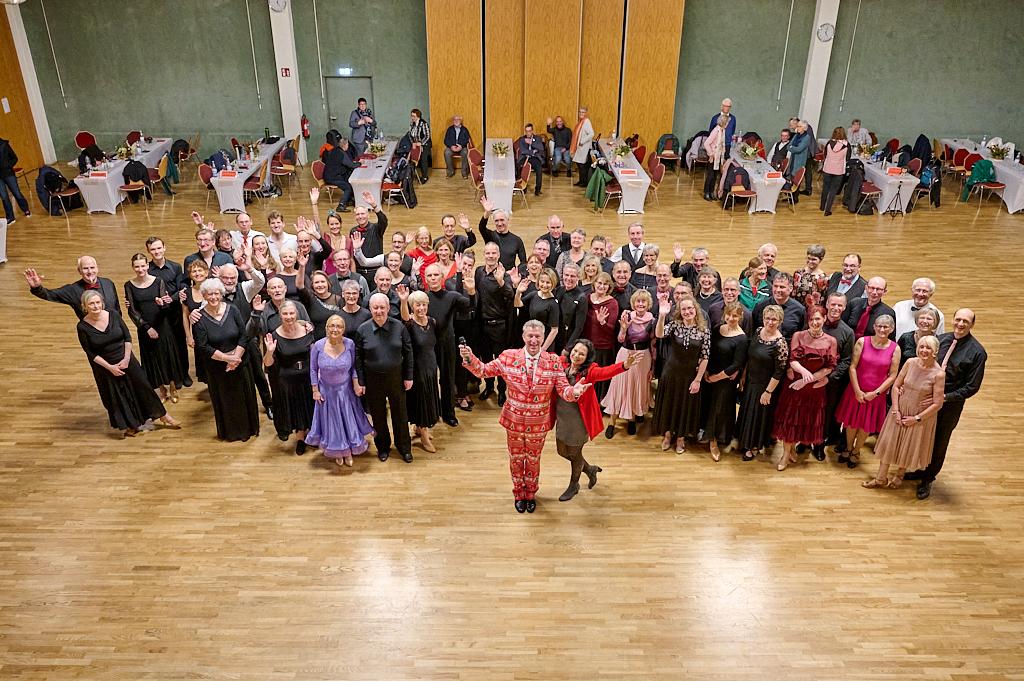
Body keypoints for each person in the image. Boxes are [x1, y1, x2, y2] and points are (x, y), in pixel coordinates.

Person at [460, 320, 590, 513]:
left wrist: (575, 391)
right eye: (530, 335)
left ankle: (530, 494)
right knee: (516, 458)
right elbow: (483, 371)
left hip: (538, 423)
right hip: (514, 420)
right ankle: (518, 494)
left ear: (543, 337)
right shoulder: (507, 357)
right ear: (523, 337)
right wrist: (469, 357)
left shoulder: (553, 361)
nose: (534, 340)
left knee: (533, 459)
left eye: (538, 336)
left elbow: (564, 391)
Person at [76, 290, 180, 436]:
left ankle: (163, 416)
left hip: (126, 357)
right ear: (85, 306)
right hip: (107, 366)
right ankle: (131, 424)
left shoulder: (113, 314)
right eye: (91, 304)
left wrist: (126, 359)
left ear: (102, 303)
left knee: (143, 387)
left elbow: (127, 337)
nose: (95, 306)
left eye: (97, 302)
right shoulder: (82, 327)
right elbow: (91, 353)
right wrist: (110, 368)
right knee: (120, 396)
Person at [907, 308, 986, 500]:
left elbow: (971, 387)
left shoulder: (977, 352)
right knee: (925, 435)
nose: (960, 324)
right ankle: (920, 468)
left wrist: (944, 398)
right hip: (926, 398)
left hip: (949, 403)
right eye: (958, 319)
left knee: (940, 440)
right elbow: (923, 362)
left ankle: (928, 477)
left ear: (972, 325)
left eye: (965, 321)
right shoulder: (940, 340)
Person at [553, 340, 640, 501]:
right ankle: (590, 469)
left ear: (587, 357)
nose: (576, 355)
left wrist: (625, 366)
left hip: (579, 421)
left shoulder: (589, 371)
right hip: (562, 417)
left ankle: (574, 485)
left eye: (581, 354)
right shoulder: (561, 363)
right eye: (575, 351)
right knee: (562, 451)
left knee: (574, 453)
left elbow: (606, 372)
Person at [863, 335, 945, 490]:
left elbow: (937, 403)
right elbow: (896, 386)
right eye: (921, 346)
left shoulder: (938, 374)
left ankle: (899, 476)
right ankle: (880, 478)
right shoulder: (910, 362)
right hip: (899, 410)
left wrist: (917, 418)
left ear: (935, 352)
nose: (924, 350)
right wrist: (895, 409)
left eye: (928, 348)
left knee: (908, 447)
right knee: (889, 444)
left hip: (918, 416)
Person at [192, 278, 260, 442]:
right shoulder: (198, 318)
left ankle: (249, 430)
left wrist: (236, 357)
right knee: (226, 400)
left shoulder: (233, 309)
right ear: (204, 296)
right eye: (210, 294)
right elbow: (203, 346)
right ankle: (232, 432)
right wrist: (227, 359)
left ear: (221, 294)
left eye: (216, 293)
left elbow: (244, 336)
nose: (214, 297)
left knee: (245, 397)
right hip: (218, 368)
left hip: (240, 362)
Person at [771, 306, 839, 471]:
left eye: (818, 319)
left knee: (802, 421)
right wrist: (804, 374)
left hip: (814, 388)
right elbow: (792, 359)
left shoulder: (831, 341)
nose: (814, 322)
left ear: (824, 319)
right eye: (811, 319)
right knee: (790, 420)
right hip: (794, 384)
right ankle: (786, 454)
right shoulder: (798, 335)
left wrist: (809, 380)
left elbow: (830, 367)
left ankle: (793, 449)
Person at [306, 315, 374, 466]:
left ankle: (348, 449)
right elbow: (312, 369)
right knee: (334, 424)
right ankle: (338, 451)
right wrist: (315, 390)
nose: (335, 329)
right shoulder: (317, 345)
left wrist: (356, 384)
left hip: (346, 391)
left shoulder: (349, 344)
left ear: (343, 329)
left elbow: (354, 368)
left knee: (348, 422)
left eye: (339, 326)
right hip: (326, 392)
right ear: (327, 328)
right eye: (332, 326)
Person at [355, 293, 414, 462]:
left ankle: (404, 448)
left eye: (382, 307)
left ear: (388, 308)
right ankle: (383, 447)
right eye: (375, 308)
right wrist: (361, 381)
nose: (379, 311)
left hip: (396, 378)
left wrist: (408, 376)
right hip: (373, 380)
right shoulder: (363, 329)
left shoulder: (399, 327)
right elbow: (358, 357)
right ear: (370, 309)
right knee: (378, 415)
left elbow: (408, 353)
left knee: (400, 414)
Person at [835, 315, 900, 468]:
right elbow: (852, 366)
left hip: (876, 395)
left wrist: (876, 393)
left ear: (891, 329)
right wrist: (857, 390)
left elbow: (893, 375)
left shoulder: (895, 348)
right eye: (879, 326)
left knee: (865, 424)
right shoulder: (862, 341)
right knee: (851, 422)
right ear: (874, 327)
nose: (882, 329)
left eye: (886, 327)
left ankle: (857, 451)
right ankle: (849, 447)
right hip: (855, 390)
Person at [124, 253, 187, 404]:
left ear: (147, 266)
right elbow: (132, 310)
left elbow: (165, 307)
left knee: (167, 355)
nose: (140, 269)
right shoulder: (129, 285)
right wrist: (146, 327)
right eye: (137, 266)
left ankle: (172, 386)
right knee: (152, 359)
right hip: (145, 327)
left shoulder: (158, 281)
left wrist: (162, 304)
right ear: (133, 268)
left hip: (162, 324)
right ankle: (161, 389)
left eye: (142, 266)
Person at [653, 295, 710, 454]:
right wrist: (662, 315)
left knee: (685, 407)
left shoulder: (704, 331)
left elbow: (705, 357)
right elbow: (659, 334)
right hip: (671, 373)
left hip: (690, 376)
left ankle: (680, 439)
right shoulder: (675, 325)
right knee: (669, 404)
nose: (687, 311)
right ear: (680, 311)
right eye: (684, 309)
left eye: (690, 308)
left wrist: (698, 380)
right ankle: (667, 435)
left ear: (695, 310)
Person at [736, 305, 789, 461]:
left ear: (780, 321)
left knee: (759, 416)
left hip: (765, 386)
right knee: (747, 412)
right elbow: (750, 356)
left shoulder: (780, 344)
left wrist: (768, 392)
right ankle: (744, 440)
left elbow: (779, 372)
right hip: (751, 381)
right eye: (768, 318)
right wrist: (743, 376)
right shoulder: (758, 331)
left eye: (774, 319)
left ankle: (753, 446)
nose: (770, 322)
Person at [602, 289, 656, 438]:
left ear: (648, 304)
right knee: (619, 387)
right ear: (633, 303)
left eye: (643, 301)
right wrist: (624, 329)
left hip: (643, 357)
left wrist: (653, 367)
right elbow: (620, 339)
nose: (640, 304)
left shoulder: (652, 320)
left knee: (635, 388)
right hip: (625, 355)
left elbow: (653, 344)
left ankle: (631, 418)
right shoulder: (626, 316)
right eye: (638, 301)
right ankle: (612, 422)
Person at [263, 301, 315, 454]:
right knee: (297, 410)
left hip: (307, 378)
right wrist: (270, 351)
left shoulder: (307, 330)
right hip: (287, 381)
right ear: (280, 315)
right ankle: (300, 439)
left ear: (296, 314)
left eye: (291, 313)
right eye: (285, 314)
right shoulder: (274, 335)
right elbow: (268, 364)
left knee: (310, 408)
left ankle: (313, 434)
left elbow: (314, 353)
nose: (289, 317)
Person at [702, 301, 748, 461]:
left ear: (740, 317)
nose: (731, 318)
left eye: (735, 315)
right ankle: (705, 432)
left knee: (719, 408)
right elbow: (708, 350)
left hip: (725, 379)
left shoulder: (742, 338)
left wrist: (717, 377)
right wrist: (706, 370)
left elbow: (737, 364)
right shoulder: (717, 329)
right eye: (728, 315)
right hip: (710, 374)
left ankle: (714, 439)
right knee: (708, 405)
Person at [146, 236, 191, 388]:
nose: (157, 251)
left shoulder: (176, 267)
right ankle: (171, 376)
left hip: (174, 312)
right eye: (153, 249)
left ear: (164, 248)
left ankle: (183, 374)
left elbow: (182, 288)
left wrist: (170, 299)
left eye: (159, 248)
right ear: (149, 251)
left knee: (179, 343)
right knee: (165, 346)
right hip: (157, 314)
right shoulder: (147, 269)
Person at [475, 242, 515, 405]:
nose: (490, 256)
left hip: (499, 325)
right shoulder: (479, 272)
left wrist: (500, 282)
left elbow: (510, 295)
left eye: (493, 253)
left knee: (500, 361)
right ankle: (489, 386)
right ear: (484, 254)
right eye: (488, 253)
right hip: (482, 324)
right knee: (486, 360)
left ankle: (502, 390)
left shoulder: (503, 275)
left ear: (498, 255)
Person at [403, 290, 442, 452]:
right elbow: (404, 317)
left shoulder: (432, 322)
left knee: (430, 398)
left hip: (431, 367)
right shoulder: (410, 324)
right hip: (418, 370)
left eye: (423, 304)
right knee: (421, 401)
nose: (421, 308)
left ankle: (419, 428)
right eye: (417, 305)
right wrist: (404, 301)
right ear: (412, 307)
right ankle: (424, 436)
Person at [25, 256, 121, 319]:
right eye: (85, 268)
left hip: (116, 332)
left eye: (92, 268)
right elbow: (49, 295)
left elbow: (117, 309)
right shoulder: (72, 290)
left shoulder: (108, 283)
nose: (89, 271)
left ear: (97, 268)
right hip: (93, 335)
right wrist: (37, 287)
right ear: (79, 271)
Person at [821, 293, 855, 458]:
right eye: (833, 304)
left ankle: (821, 441)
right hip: (810, 378)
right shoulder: (815, 323)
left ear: (844, 307)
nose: (835, 308)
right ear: (827, 304)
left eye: (839, 305)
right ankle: (805, 441)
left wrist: (829, 378)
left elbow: (847, 360)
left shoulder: (847, 332)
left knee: (828, 412)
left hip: (831, 382)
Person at [447, 250, 479, 411]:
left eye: (469, 265)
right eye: (463, 264)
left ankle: (464, 391)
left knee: (468, 361)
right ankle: (459, 395)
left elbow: (474, 305)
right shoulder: (451, 282)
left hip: (471, 326)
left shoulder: (474, 282)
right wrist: (459, 273)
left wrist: (472, 292)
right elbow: (458, 299)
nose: (466, 267)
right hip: (456, 326)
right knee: (459, 363)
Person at [513, 267, 560, 352]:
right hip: (532, 340)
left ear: (553, 284)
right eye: (542, 281)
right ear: (538, 282)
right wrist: (518, 292)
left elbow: (554, 330)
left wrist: (542, 349)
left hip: (544, 343)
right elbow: (517, 304)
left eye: (548, 282)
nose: (544, 285)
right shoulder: (534, 295)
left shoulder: (553, 304)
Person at [180, 259, 210, 384]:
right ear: (190, 275)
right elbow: (185, 315)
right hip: (198, 335)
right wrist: (188, 336)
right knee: (204, 364)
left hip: (214, 332)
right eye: (194, 271)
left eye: (200, 270)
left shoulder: (214, 288)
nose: (197, 273)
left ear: (206, 272)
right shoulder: (186, 293)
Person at [477, 196, 526, 270]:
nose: (499, 224)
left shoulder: (517, 240)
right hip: (492, 275)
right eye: (496, 221)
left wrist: (515, 272)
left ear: (508, 220)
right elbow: (481, 227)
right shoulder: (490, 236)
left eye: (502, 220)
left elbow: (524, 262)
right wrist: (487, 212)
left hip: (509, 277)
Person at [752, 273, 806, 340]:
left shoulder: (799, 310)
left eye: (782, 287)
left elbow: (801, 336)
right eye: (775, 286)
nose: (778, 290)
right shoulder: (760, 307)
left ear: (790, 288)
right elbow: (754, 332)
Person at [297, 270, 343, 340]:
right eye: (316, 282)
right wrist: (302, 267)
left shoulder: (338, 299)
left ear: (328, 283)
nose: (320, 285)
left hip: (335, 341)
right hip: (316, 341)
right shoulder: (309, 299)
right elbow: (299, 286)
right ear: (312, 285)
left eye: (322, 282)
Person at [555, 263, 587, 356]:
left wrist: (568, 348)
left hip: (568, 341)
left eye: (572, 276)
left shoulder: (581, 298)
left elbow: (579, 327)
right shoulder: (558, 290)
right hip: (555, 338)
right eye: (566, 275)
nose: (569, 278)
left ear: (578, 278)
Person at [820, 128, 851, 215]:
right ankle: (827, 210)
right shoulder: (847, 145)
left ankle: (822, 206)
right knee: (833, 190)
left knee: (825, 188)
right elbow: (848, 158)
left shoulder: (829, 143)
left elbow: (825, 155)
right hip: (838, 170)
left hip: (827, 168)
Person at [0, 137, 31, 224]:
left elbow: (14, 158)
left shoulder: (4, 145)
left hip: (8, 174)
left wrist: (7, 166)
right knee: (4, 196)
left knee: (16, 192)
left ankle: (25, 209)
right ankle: (10, 217)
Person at [793, 244, 829, 308]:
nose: (810, 261)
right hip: (797, 309)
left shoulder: (824, 278)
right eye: (808, 258)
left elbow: (823, 299)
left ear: (821, 259)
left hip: (814, 312)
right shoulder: (798, 273)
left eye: (814, 259)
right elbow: (793, 293)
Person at [702, 115, 729, 201]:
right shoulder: (716, 131)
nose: (728, 123)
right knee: (710, 175)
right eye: (727, 122)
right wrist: (711, 153)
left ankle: (711, 192)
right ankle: (706, 193)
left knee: (715, 175)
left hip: (719, 157)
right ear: (724, 122)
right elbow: (706, 143)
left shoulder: (723, 130)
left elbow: (722, 143)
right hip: (713, 157)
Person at [515, 123, 546, 196]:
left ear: (532, 131)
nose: (528, 133)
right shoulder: (522, 139)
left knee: (539, 169)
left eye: (529, 131)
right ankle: (523, 187)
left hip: (534, 157)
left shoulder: (537, 138)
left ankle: (538, 190)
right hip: (525, 156)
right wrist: (533, 151)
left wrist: (532, 143)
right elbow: (523, 150)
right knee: (519, 166)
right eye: (526, 131)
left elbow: (540, 148)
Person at [786, 120, 813, 198]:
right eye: (797, 126)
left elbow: (799, 149)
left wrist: (792, 148)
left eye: (799, 126)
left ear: (804, 128)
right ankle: (790, 196)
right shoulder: (796, 135)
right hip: (793, 158)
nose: (797, 128)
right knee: (791, 177)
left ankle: (795, 198)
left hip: (799, 160)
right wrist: (792, 147)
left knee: (796, 178)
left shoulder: (807, 137)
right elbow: (789, 145)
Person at [571, 107, 595, 187]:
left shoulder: (586, 122)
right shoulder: (581, 122)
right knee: (579, 164)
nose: (581, 113)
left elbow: (591, 134)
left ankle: (584, 182)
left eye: (583, 112)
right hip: (580, 147)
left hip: (584, 147)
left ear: (586, 113)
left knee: (582, 165)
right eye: (580, 112)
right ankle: (581, 181)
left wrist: (582, 141)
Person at [443, 114, 472, 178]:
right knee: (446, 152)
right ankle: (450, 171)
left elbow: (467, 140)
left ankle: (464, 172)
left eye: (458, 119)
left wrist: (461, 145)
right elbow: (446, 140)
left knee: (465, 152)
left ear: (460, 121)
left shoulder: (464, 129)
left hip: (462, 147)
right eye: (454, 119)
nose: (456, 121)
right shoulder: (449, 129)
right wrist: (451, 146)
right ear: (453, 121)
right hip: (452, 147)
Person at [408, 108, 431, 183]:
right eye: (411, 116)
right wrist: (413, 143)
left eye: (414, 116)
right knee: (412, 157)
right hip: (416, 143)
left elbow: (427, 136)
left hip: (425, 143)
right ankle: (411, 174)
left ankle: (424, 177)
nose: (412, 118)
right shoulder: (412, 123)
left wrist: (421, 143)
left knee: (423, 159)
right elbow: (410, 134)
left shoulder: (423, 124)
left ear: (418, 116)